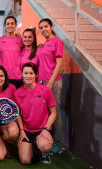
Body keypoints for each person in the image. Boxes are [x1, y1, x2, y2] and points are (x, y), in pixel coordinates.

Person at [14, 62, 57, 164]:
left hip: (42, 129)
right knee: (25, 160)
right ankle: (30, 145)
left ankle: (43, 152)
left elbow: (54, 113)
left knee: (44, 146)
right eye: (26, 73)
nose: (28, 76)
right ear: (21, 74)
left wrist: (46, 129)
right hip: (27, 130)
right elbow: (18, 114)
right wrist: (21, 130)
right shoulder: (17, 93)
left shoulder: (45, 90)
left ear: (36, 74)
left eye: (31, 73)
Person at [38, 18, 63, 155]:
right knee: (46, 113)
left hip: (52, 82)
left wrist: (51, 82)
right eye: (41, 28)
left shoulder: (57, 41)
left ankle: (57, 144)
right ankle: (47, 140)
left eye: (46, 26)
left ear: (52, 26)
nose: (43, 30)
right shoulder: (46, 43)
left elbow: (59, 64)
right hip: (42, 82)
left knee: (55, 113)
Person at [0, 16, 24, 89]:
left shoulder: (20, 40)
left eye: (12, 23)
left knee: (16, 99)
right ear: (5, 26)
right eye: (8, 24)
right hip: (2, 76)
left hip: (17, 76)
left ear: (15, 25)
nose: (10, 26)